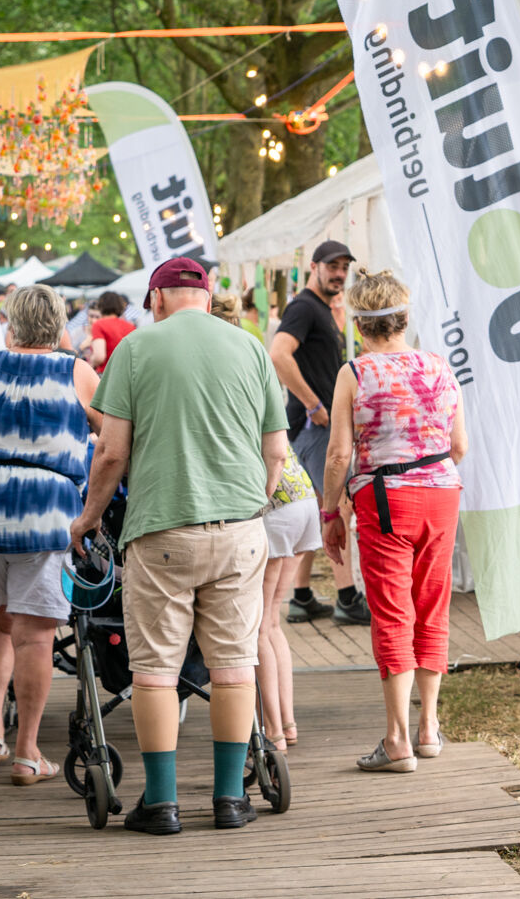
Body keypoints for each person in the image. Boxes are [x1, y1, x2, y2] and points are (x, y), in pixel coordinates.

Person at [70, 257, 287, 835]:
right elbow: (275, 452)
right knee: (234, 666)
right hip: (239, 531)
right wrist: (251, 507)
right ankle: (229, 799)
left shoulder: (136, 349)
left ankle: (162, 804)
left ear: (157, 299)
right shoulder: (250, 348)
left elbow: (111, 452)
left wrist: (89, 518)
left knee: (155, 671)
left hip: (162, 531)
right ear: (208, 298)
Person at [322, 269, 466, 773]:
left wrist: (330, 512)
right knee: (432, 607)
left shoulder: (355, 373)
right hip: (442, 494)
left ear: (359, 324)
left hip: (386, 500)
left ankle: (398, 739)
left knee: (391, 612)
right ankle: (429, 728)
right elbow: (459, 446)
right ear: (405, 318)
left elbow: (338, 454)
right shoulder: (440, 367)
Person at [0, 286, 101, 784]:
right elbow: (114, 437)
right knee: (34, 636)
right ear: (59, 327)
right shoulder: (76, 372)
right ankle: (28, 753)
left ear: (10, 325)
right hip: (46, 512)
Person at [213, 293, 311, 750]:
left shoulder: (222, 375)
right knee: (272, 623)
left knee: (255, 627)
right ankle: (286, 722)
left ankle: (272, 730)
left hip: (272, 503)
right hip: (300, 496)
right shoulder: (252, 364)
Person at [269, 240, 367, 626]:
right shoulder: (304, 307)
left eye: (344, 267)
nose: (339, 273)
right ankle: (347, 598)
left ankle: (301, 596)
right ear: (314, 267)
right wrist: (313, 404)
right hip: (316, 426)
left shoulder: (321, 309)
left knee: (317, 509)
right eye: (332, 266)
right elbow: (278, 354)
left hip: (316, 425)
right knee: (337, 506)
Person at [86, 291, 135, 373]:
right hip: (126, 373)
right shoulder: (130, 326)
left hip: (106, 373)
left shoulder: (99, 325)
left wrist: (91, 362)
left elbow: (99, 356)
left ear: (101, 306)